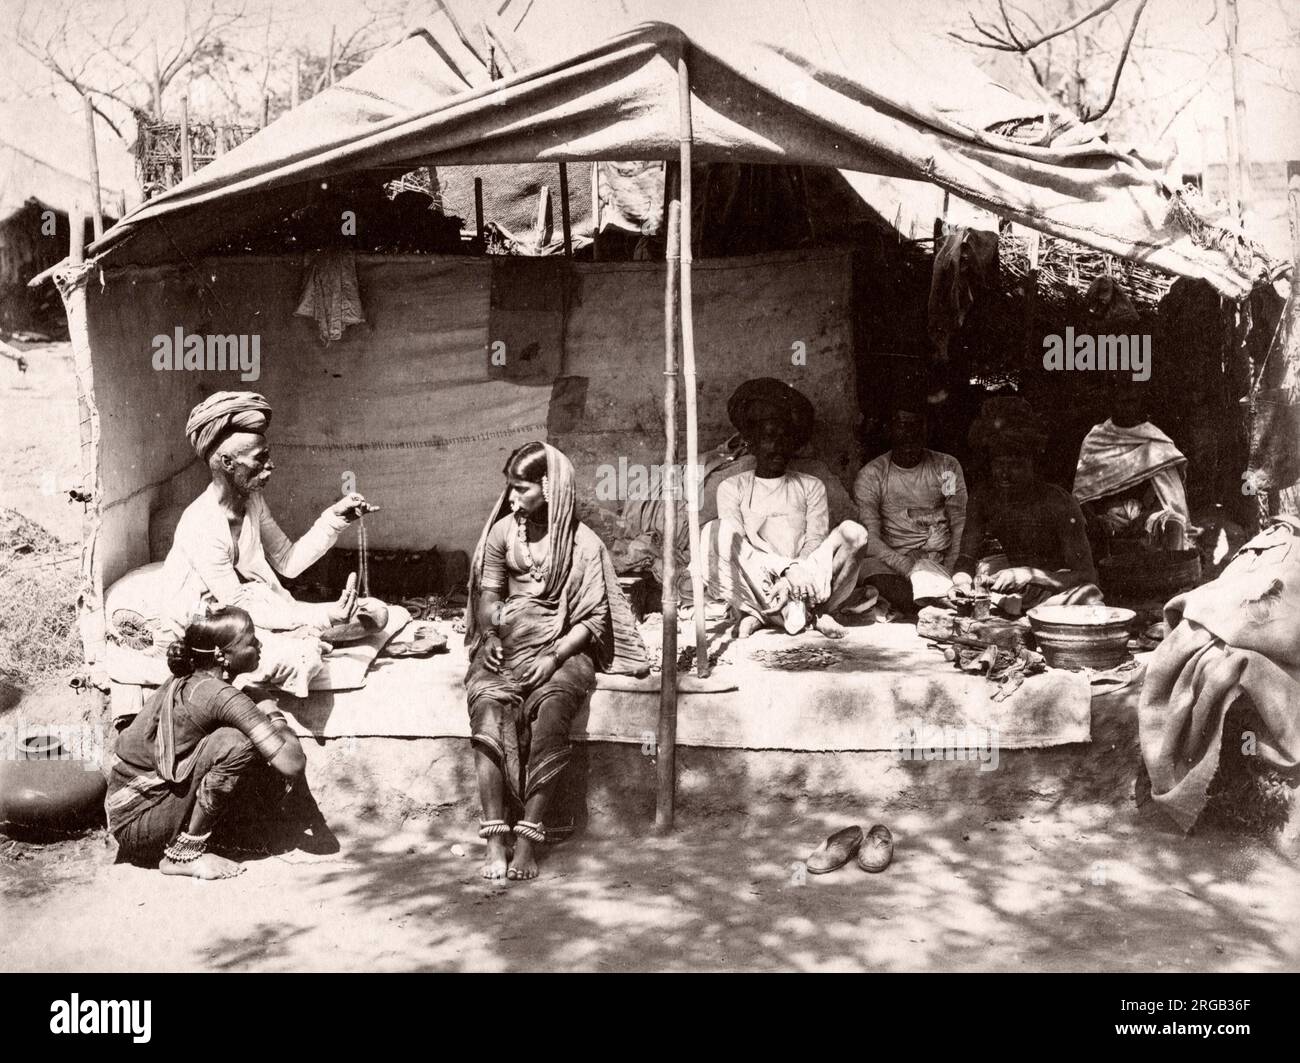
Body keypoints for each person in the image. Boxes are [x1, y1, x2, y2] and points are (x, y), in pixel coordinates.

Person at [465, 442, 647, 882]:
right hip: (508, 643)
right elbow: (489, 593)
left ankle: (528, 837)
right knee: (487, 705)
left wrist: (553, 657)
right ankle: (494, 836)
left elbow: (594, 619)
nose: (511, 499)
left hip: (565, 647)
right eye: (510, 488)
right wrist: (489, 633)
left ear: (549, 489)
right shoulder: (504, 532)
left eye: (521, 489)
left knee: (551, 710)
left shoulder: (583, 544)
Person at [158, 391, 386, 694]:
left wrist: (335, 518)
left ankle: (308, 633)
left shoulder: (253, 501)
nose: (271, 466)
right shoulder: (201, 523)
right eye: (260, 458)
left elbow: (288, 561)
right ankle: (307, 636)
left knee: (378, 613)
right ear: (228, 462)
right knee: (299, 661)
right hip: (217, 626)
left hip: (258, 612)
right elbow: (237, 610)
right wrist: (323, 615)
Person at [105, 607, 320, 879]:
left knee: (238, 744)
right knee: (236, 742)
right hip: (139, 823)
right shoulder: (219, 695)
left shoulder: (193, 681)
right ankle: (184, 856)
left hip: (129, 816)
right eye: (251, 641)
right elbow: (292, 764)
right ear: (221, 654)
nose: (259, 645)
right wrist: (269, 708)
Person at [701, 378, 871, 638]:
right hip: (760, 576)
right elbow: (738, 546)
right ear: (752, 444)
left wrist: (796, 573)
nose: (778, 447)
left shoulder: (811, 485)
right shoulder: (732, 487)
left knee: (855, 533)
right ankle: (775, 614)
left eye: (784, 439)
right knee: (714, 532)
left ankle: (805, 613)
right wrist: (785, 570)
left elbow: (814, 541)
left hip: (806, 574)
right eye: (769, 438)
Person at [955, 420, 1102, 610]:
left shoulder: (1058, 501)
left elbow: (1087, 575)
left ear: (1034, 465)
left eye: (1016, 465)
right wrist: (961, 583)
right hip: (1012, 586)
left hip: (1054, 587)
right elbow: (966, 558)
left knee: (1089, 597)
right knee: (929, 577)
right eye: (999, 464)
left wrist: (1030, 575)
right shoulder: (983, 497)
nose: (1004, 474)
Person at [855, 404, 967, 613]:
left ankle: (936, 599)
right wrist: (907, 567)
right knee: (867, 571)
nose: (910, 433)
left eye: (917, 425)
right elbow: (870, 538)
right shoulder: (872, 474)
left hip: (939, 557)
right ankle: (935, 602)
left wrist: (952, 567)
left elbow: (959, 521)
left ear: (928, 429)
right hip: (892, 562)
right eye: (902, 425)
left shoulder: (946, 466)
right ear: (889, 429)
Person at [1072, 383, 1191, 554]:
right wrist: (1097, 521)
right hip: (1107, 519)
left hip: (1145, 517)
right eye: (1123, 402)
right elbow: (1082, 499)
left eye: (1133, 401)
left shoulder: (1152, 438)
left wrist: (1144, 517)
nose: (1128, 408)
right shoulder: (1095, 439)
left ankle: (1172, 573)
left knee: (1174, 523)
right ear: (1111, 404)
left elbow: (1170, 496)